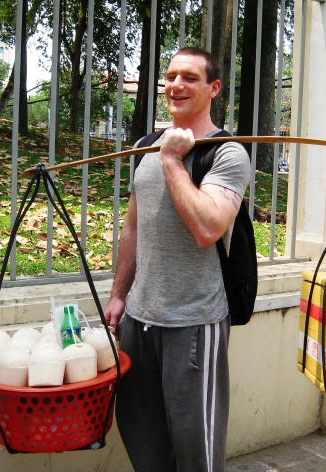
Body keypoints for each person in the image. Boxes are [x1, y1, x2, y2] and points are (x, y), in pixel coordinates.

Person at [104, 47, 250, 472]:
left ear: (214, 88)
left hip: (193, 325)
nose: (176, 85)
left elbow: (208, 229)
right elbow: (134, 227)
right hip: (139, 321)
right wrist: (119, 295)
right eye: (170, 76)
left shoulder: (227, 153)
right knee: (143, 443)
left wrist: (172, 160)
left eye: (190, 77)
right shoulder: (144, 146)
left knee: (195, 452)